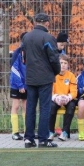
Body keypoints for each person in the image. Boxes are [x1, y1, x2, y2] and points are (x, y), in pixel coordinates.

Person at [22, 13, 61, 148]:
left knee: (30, 108)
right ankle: (43, 139)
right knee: (45, 108)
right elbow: (54, 59)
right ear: (47, 23)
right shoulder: (48, 38)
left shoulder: (26, 37)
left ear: (35, 22)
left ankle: (29, 138)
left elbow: (24, 58)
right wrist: (55, 71)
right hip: (45, 78)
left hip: (31, 77)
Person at [48, 54, 77, 141]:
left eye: (65, 63)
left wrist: (67, 97)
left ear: (68, 65)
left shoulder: (71, 76)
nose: (63, 65)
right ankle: (50, 132)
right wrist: (56, 98)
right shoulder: (52, 75)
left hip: (66, 98)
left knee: (71, 106)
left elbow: (74, 92)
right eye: (61, 63)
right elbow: (50, 91)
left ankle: (64, 132)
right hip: (56, 98)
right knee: (51, 107)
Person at [9, 32, 27, 140]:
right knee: (15, 106)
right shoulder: (17, 52)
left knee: (26, 107)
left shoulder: (31, 52)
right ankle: (15, 132)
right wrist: (20, 85)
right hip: (17, 84)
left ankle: (27, 132)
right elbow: (14, 70)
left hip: (27, 85)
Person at [53, 31, 69, 135]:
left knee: (62, 101)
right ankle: (52, 127)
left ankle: (58, 128)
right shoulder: (52, 51)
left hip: (62, 81)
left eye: (64, 45)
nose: (62, 46)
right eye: (61, 44)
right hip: (53, 79)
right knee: (53, 104)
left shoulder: (62, 53)